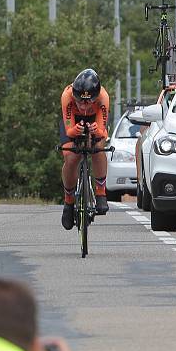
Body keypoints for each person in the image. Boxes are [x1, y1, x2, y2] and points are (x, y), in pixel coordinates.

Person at [59, 69, 110, 230]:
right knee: (71, 156)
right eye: (79, 101)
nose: (83, 105)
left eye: (88, 102)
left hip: (94, 120)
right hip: (73, 122)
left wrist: (97, 132)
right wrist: (75, 131)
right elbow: (69, 131)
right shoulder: (67, 95)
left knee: (98, 148)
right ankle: (68, 202)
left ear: (95, 97)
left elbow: (102, 131)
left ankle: (101, 193)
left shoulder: (103, 97)